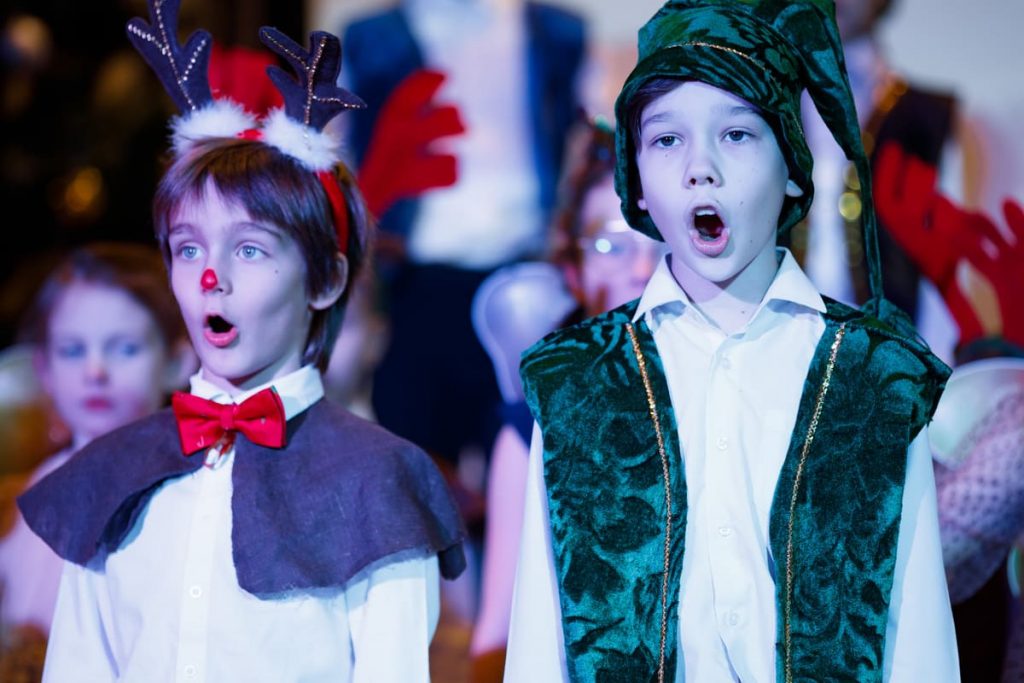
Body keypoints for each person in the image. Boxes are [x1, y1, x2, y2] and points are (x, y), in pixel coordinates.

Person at [505, 1, 958, 681]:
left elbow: (918, 642)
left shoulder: (878, 378)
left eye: (738, 134)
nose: (701, 167)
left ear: (794, 167)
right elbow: (539, 648)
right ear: (636, 182)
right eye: (666, 139)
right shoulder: (577, 382)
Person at [18, 2, 465, 680]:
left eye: (250, 249)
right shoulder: (112, 472)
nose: (211, 278)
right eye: (188, 246)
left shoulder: (378, 480)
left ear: (325, 279)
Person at [340, 0, 588, 471]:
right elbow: (345, 149)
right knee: (411, 462)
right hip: (414, 282)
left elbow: (583, 139)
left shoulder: (558, 33)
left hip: (523, 278)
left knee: (528, 455)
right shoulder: (373, 38)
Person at [469, 119, 664, 681]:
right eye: (610, 245)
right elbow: (496, 633)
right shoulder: (532, 424)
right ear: (572, 269)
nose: (640, 268)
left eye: (657, 241)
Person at [0, 242, 193, 671]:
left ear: (176, 361)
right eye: (72, 350)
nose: (95, 371)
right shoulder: (27, 492)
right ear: (44, 367)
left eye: (124, 348)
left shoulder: (182, 492)